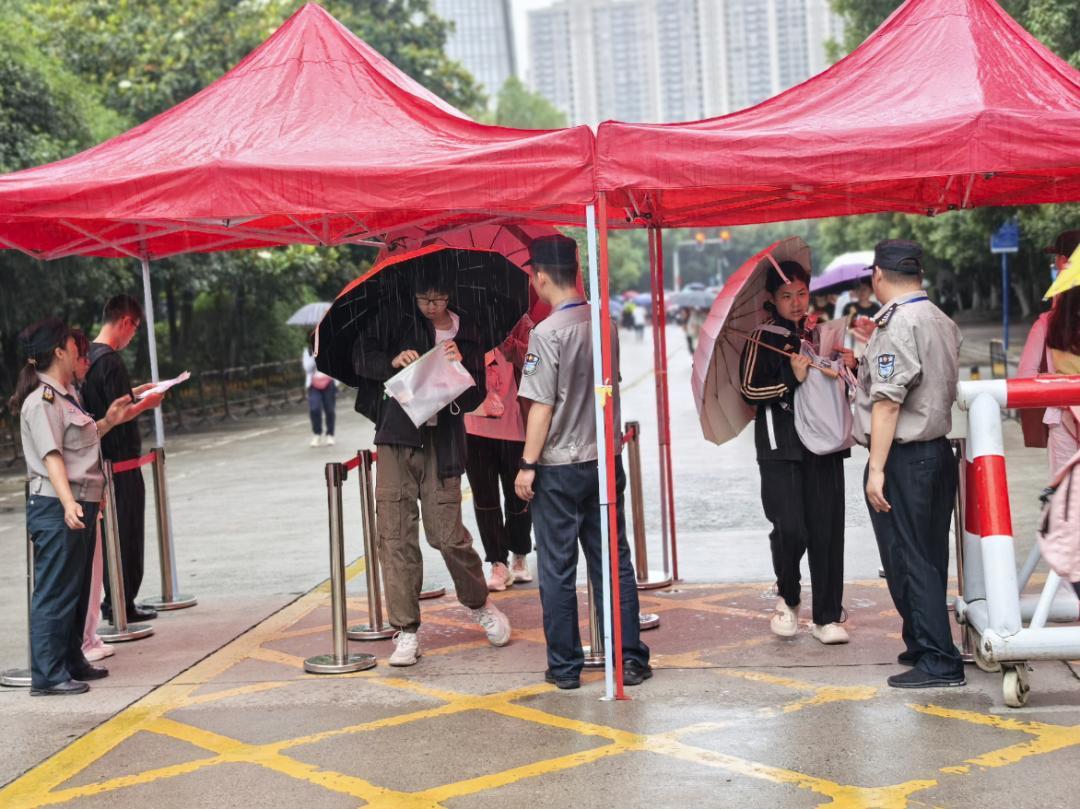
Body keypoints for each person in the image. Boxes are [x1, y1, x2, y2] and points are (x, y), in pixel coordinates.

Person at [352, 266, 511, 667]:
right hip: (396, 438)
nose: (430, 307)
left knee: (447, 535)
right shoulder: (394, 317)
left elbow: (476, 391)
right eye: (424, 300)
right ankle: (406, 630)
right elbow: (361, 357)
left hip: (443, 442)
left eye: (438, 300)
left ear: (450, 295)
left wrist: (461, 364)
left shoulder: (468, 330)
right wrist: (392, 360)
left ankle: (478, 603)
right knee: (395, 535)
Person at [514, 234, 652, 690]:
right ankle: (630, 658)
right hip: (604, 460)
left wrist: (527, 463)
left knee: (556, 568)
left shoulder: (545, 333)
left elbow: (541, 406)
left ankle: (566, 667)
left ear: (540, 277)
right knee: (613, 560)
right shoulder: (605, 323)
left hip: (557, 466)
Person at [855, 239, 965, 689]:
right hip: (936, 453)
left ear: (878, 275)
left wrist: (876, 469)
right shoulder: (939, 318)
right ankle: (924, 641)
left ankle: (940, 659)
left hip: (905, 457)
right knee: (928, 554)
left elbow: (887, 404)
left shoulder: (897, 325)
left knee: (908, 557)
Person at [10, 318, 136, 695]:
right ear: (59, 352)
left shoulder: (65, 396)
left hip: (79, 502)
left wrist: (110, 421)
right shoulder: (42, 401)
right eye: (72, 345)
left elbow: (78, 441)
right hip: (57, 505)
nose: (79, 352)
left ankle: (70, 658)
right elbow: (52, 457)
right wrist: (68, 503)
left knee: (78, 588)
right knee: (56, 590)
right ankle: (48, 675)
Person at [739, 259, 856, 646]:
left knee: (827, 530)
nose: (796, 302)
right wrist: (791, 376)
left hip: (824, 446)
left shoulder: (819, 334)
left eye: (802, 293)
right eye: (787, 295)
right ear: (772, 298)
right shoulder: (762, 338)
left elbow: (841, 385)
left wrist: (844, 365)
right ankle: (788, 598)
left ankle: (827, 616)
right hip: (780, 448)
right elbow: (749, 391)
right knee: (791, 529)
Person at [81, 295, 163, 624]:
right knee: (127, 531)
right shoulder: (111, 360)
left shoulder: (89, 356)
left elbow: (110, 404)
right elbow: (119, 413)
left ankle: (115, 600)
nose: (133, 337)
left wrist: (138, 392)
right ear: (126, 322)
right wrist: (148, 403)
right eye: (135, 329)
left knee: (115, 533)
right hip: (121, 461)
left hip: (102, 457)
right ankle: (122, 603)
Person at [465, 321, 534, 591]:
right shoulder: (464, 323)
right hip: (474, 423)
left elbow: (535, 363)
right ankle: (497, 562)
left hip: (515, 422)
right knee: (485, 499)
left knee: (518, 494)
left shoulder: (520, 320)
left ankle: (519, 554)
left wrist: (511, 347)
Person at [1019, 231, 1080, 475]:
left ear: (1065, 261)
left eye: (1057, 259)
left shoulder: (1048, 323)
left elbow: (1025, 377)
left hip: (1063, 422)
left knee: (1068, 501)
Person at [69, 330, 113, 664]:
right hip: (72, 497)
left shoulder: (72, 394)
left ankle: (85, 639)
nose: (87, 362)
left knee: (92, 574)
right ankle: (81, 641)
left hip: (86, 494)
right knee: (78, 577)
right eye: (82, 356)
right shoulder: (49, 399)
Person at [303, 345, 336, 447]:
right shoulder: (308, 351)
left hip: (329, 382)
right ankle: (317, 433)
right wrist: (314, 356)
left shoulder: (329, 346)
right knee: (314, 409)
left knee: (329, 410)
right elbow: (307, 368)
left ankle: (330, 434)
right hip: (314, 384)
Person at [841, 280, 881, 356]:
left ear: (871, 290)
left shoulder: (876, 308)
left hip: (870, 347)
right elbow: (844, 327)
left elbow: (878, 329)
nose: (861, 292)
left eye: (864, 289)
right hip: (851, 347)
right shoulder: (849, 307)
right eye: (859, 289)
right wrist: (851, 314)